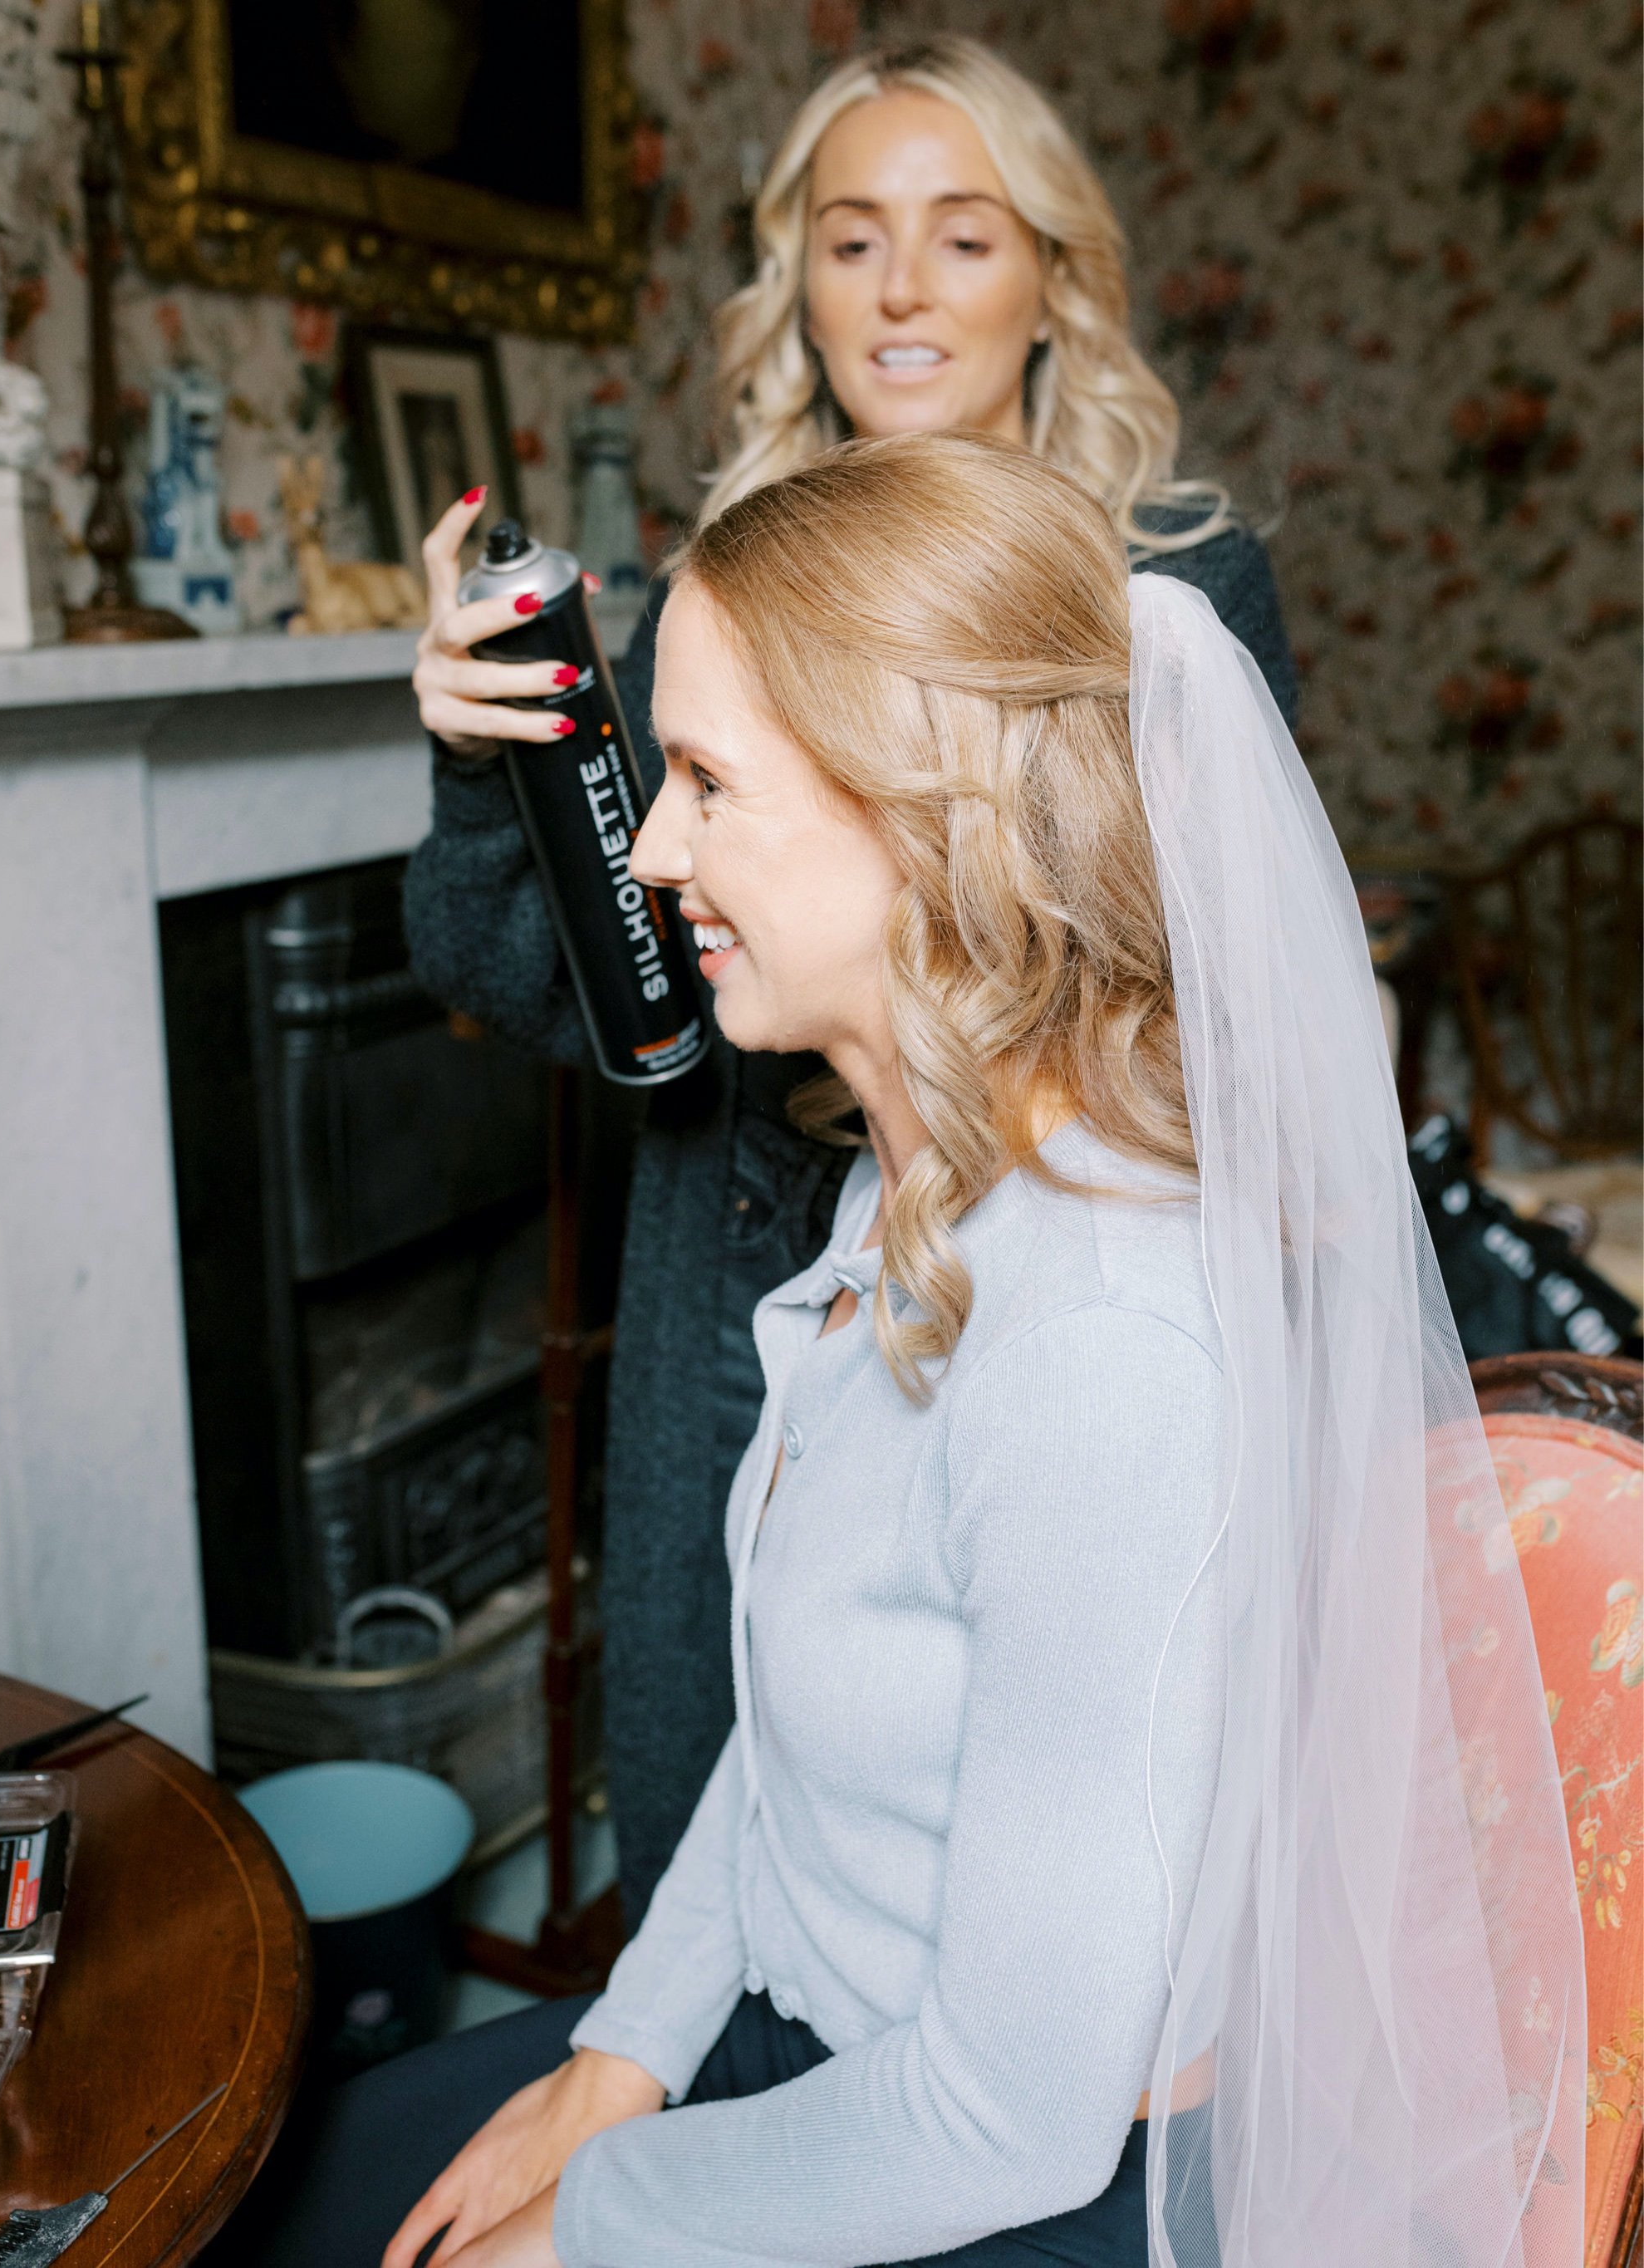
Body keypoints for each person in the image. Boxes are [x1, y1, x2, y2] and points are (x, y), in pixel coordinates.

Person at [264, 434, 1580, 2268]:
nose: (647, 850)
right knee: (291, 2187)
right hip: (802, 2041)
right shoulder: (904, 1188)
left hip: (1008, 2192)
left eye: (708, 780)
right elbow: (786, 1746)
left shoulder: (1106, 1343)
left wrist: (586, 2225)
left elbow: (1001, 2121)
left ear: (928, 815)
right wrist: (622, 2052)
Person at [406, 35, 1300, 1928]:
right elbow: (583, 991)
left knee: (994, 1863)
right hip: (729, 1259)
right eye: (849, 238)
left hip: (1031, 1266)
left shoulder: (1175, 591)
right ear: (791, 287)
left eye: (963, 238)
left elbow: (1204, 992)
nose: (899, 289)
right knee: (716, 1804)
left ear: (1052, 278)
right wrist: (500, 771)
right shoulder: (708, 592)